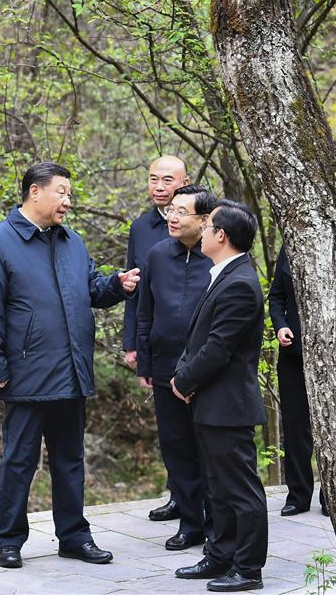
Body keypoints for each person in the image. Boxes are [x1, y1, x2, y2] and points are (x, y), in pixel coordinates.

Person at [0, 162, 140, 569]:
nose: (68, 200)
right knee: (19, 461)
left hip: (72, 371)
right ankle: (9, 541)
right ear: (34, 192)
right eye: (61, 192)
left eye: (69, 193)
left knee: (70, 460)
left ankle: (75, 537)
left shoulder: (72, 242)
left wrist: (117, 284)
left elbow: (91, 289)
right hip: (26, 374)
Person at [171, 200, 268, 592]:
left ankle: (248, 569)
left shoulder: (241, 283)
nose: (203, 229)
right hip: (210, 403)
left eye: (207, 225)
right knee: (218, 487)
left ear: (221, 236)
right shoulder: (224, 275)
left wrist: (182, 382)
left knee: (241, 491)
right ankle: (219, 555)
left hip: (228, 405)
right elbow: (196, 339)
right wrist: (183, 373)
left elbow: (217, 349)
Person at [136, 185, 217, 551]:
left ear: (204, 221)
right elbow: (145, 312)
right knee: (176, 448)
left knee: (210, 450)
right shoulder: (156, 255)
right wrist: (146, 363)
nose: (171, 216)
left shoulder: (217, 258)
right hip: (165, 369)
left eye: (181, 211)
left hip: (206, 373)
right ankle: (190, 522)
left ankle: (217, 522)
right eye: (170, 210)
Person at [124, 155, 190, 522]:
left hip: (194, 338)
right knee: (170, 428)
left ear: (184, 181)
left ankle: (205, 501)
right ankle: (178, 495)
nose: (159, 187)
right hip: (158, 338)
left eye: (167, 180)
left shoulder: (205, 220)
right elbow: (135, 289)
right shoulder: (141, 227)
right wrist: (133, 343)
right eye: (153, 179)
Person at [268, 245, 328, 517]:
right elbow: (276, 297)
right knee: (295, 427)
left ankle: (331, 496)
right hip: (292, 354)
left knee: (330, 427)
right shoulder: (288, 247)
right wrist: (280, 325)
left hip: (330, 355)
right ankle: (298, 495)